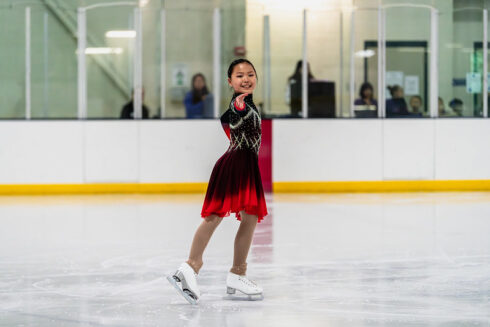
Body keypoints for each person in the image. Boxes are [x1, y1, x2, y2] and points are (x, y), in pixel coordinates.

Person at [167, 59, 267, 304]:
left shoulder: (249, 104)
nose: (246, 79)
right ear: (230, 81)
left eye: (250, 74)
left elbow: (228, 121)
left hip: (243, 166)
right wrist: (239, 107)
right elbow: (235, 113)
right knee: (214, 216)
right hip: (235, 166)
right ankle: (189, 267)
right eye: (239, 75)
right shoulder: (240, 103)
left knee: (249, 218)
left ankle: (237, 273)